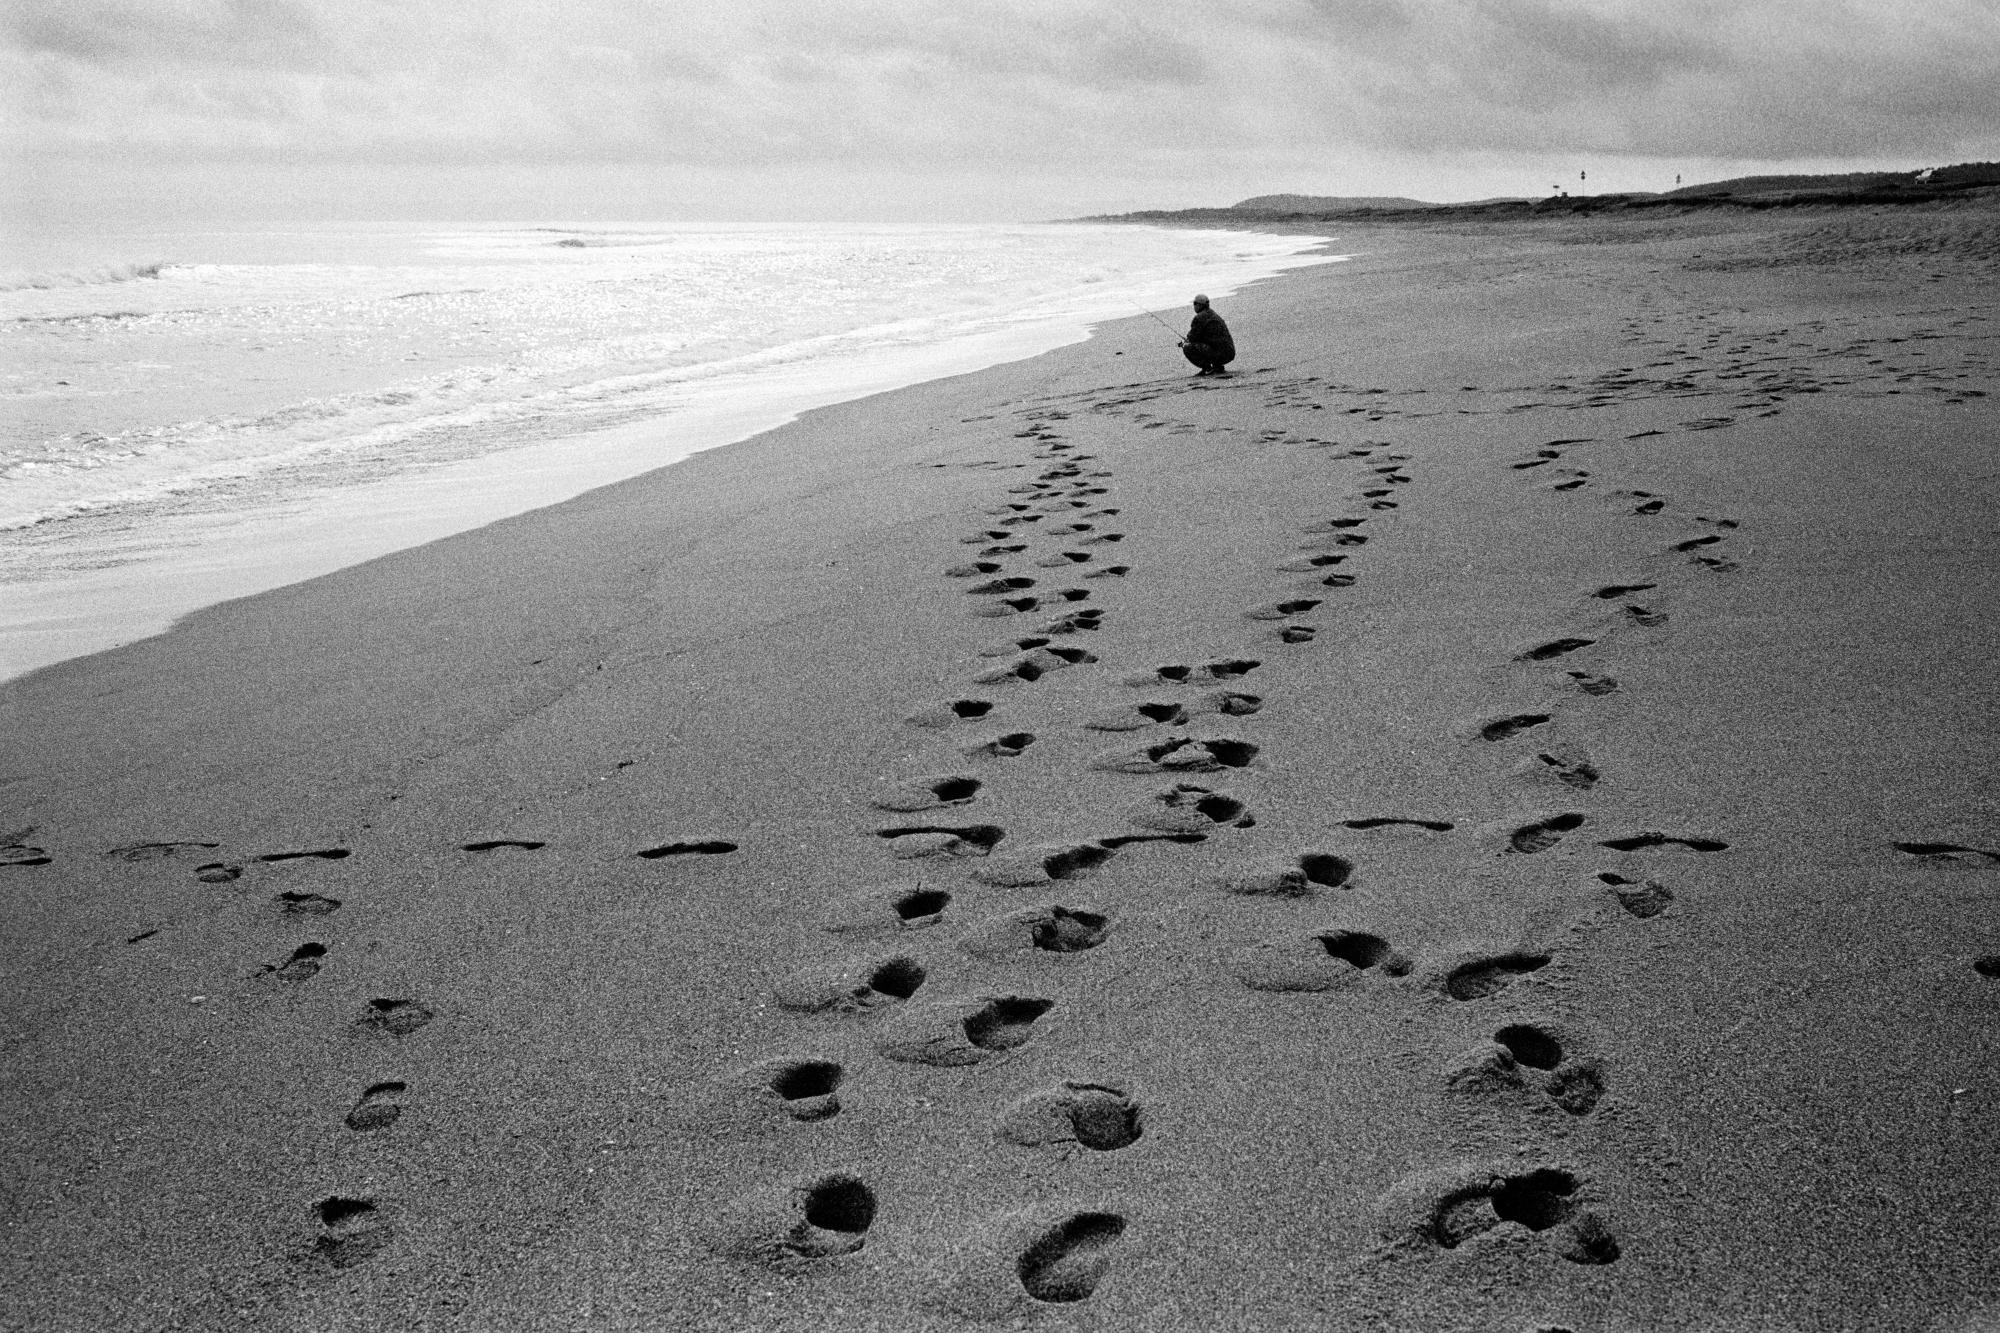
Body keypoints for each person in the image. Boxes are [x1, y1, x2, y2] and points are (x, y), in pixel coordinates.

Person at [1181, 295, 1235, 376]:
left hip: (1220, 354)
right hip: (1229, 353)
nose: (1194, 306)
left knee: (1187, 347)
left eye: (1195, 303)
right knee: (1210, 342)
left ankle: (1208, 369)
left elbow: (1192, 337)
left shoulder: (1199, 318)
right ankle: (1217, 367)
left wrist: (1184, 343)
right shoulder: (1213, 314)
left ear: (1199, 305)